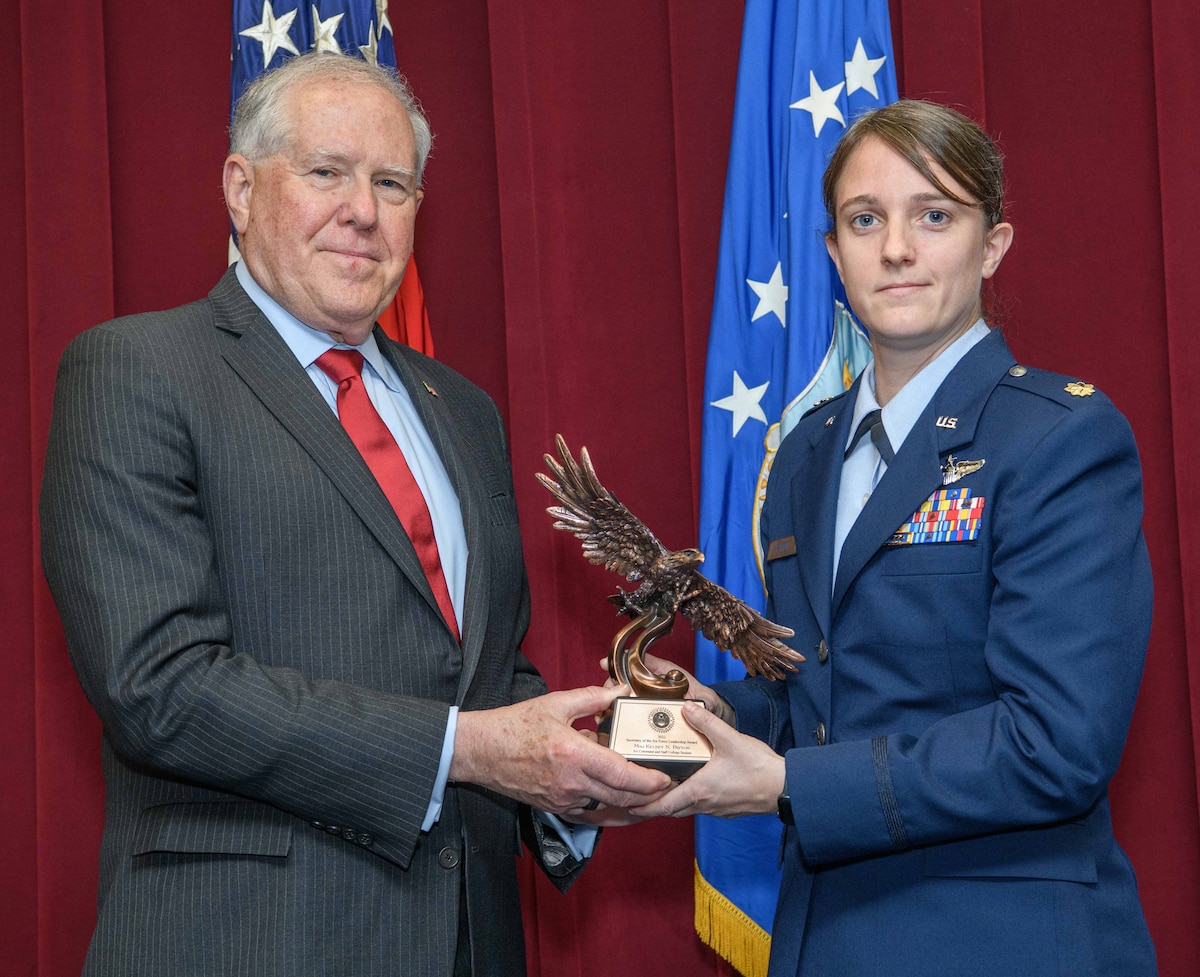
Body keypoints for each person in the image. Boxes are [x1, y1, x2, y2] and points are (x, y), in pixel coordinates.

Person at [40, 52, 668, 977]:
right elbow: (160, 690)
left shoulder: (463, 409)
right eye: (327, 172)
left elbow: (483, 676)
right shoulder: (137, 371)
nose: (363, 211)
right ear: (240, 189)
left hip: (465, 941)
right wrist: (470, 748)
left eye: (392, 182)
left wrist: (588, 752)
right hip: (250, 942)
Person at [632, 100, 1157, 976]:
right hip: (824, 934)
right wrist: (719, 712)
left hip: (1001, 939)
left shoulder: (1060, 439)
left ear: (993, 246)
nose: (899, 249)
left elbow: (1056, 742)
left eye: (936, 215)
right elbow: (840, 691)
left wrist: (788, 784)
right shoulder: (804, 452)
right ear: (833, 253)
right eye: (866, 220)